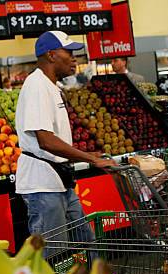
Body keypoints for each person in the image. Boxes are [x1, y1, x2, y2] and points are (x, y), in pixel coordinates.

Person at [15, 31, 115, 252]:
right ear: (51, 55)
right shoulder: (36, 86)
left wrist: (89, 155)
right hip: (42, 186)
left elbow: (55, 139)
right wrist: (90, 159)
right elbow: (46, 141)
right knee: (53, 253)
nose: (74, 58)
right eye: (68, 52)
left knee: (86, 242)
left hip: (58, 181)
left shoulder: (51, 87)